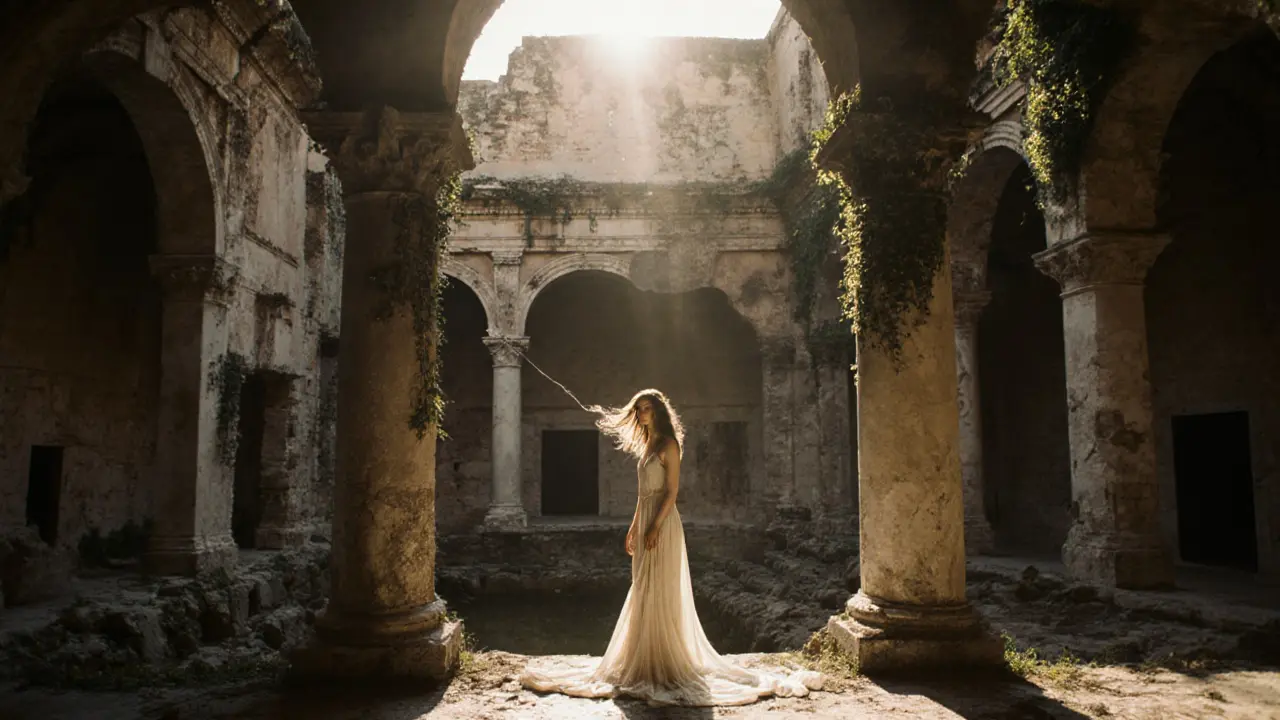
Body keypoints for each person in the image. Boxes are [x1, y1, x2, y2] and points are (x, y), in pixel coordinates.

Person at [519, 389, 822, 707]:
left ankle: (664, 663)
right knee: (642, 588)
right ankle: (644, 658)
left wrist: (653, 526)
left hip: (664, 524)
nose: (641, 414)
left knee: (660, 588)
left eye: (647, 409)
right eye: (638, 410)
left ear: (659, 411)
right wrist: (634, 526)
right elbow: (642, 495)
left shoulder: (669, 444)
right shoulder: (646, 445)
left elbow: (671, 492)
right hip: (647, 517)